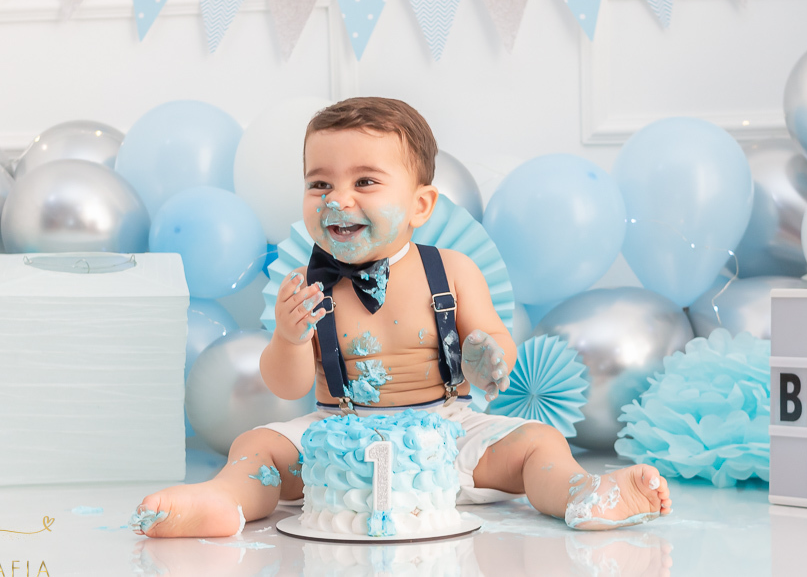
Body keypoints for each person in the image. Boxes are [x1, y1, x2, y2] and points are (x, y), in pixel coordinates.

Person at [131, 97, 672, 538]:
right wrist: (292, 338)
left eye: (365, 182)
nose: (337, 198)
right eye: (320, 183)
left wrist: (489, 355)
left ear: (420, 206)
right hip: (336, 435)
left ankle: (582, 495)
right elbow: (286, 384)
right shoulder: (306, 285)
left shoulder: (452, 271)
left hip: (451, 430)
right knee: (256, 447)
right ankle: (224, 503)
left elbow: (494, 343)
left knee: (540, 444)